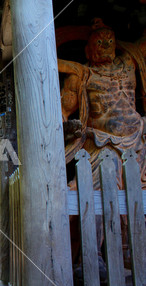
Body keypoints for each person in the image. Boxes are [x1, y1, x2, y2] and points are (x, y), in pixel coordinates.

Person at [58, 18, 146, 269]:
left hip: (136, 140)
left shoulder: (129, 64)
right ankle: (91, 254)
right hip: (100, 146)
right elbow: (63, 111)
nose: (106, 45)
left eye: (110, 41)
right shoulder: (82, 76)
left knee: (135, 198)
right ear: (88, 49)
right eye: (99, 42)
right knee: (93, 199)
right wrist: (66, 128)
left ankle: (132, 252)